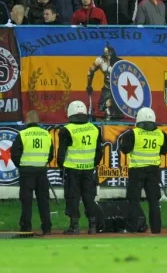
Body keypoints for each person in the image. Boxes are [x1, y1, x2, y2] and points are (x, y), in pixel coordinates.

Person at [118, 107, 167, 234]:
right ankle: (156, 229)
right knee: (154, 201)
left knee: (134, 200)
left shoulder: (132, 134)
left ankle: (131, 228)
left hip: (137, 170)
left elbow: (124, 149)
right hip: (153, 171)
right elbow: (164, 150)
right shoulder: (162, 134)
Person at [58, 100, 103, 234]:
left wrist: (61, 167)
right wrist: (93, 164)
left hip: (72, 169)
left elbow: (61, 152)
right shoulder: (95, 129)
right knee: (89, 197)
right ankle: (93, 226)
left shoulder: (66, 130)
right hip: (88, 169)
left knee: (73, 197)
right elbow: (99, 151)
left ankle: (74, 226)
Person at [10, 110, 53, 235]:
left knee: (26, 201)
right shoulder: (46, 134)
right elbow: (51, 154)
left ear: (27, 120)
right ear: (37, 120)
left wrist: (21, 166)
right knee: (43, 201)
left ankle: (26, 227)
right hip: (41, 171)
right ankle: (47, 228)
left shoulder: (22, 134)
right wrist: (42, 162)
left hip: (26, 171)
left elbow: (15, 154)